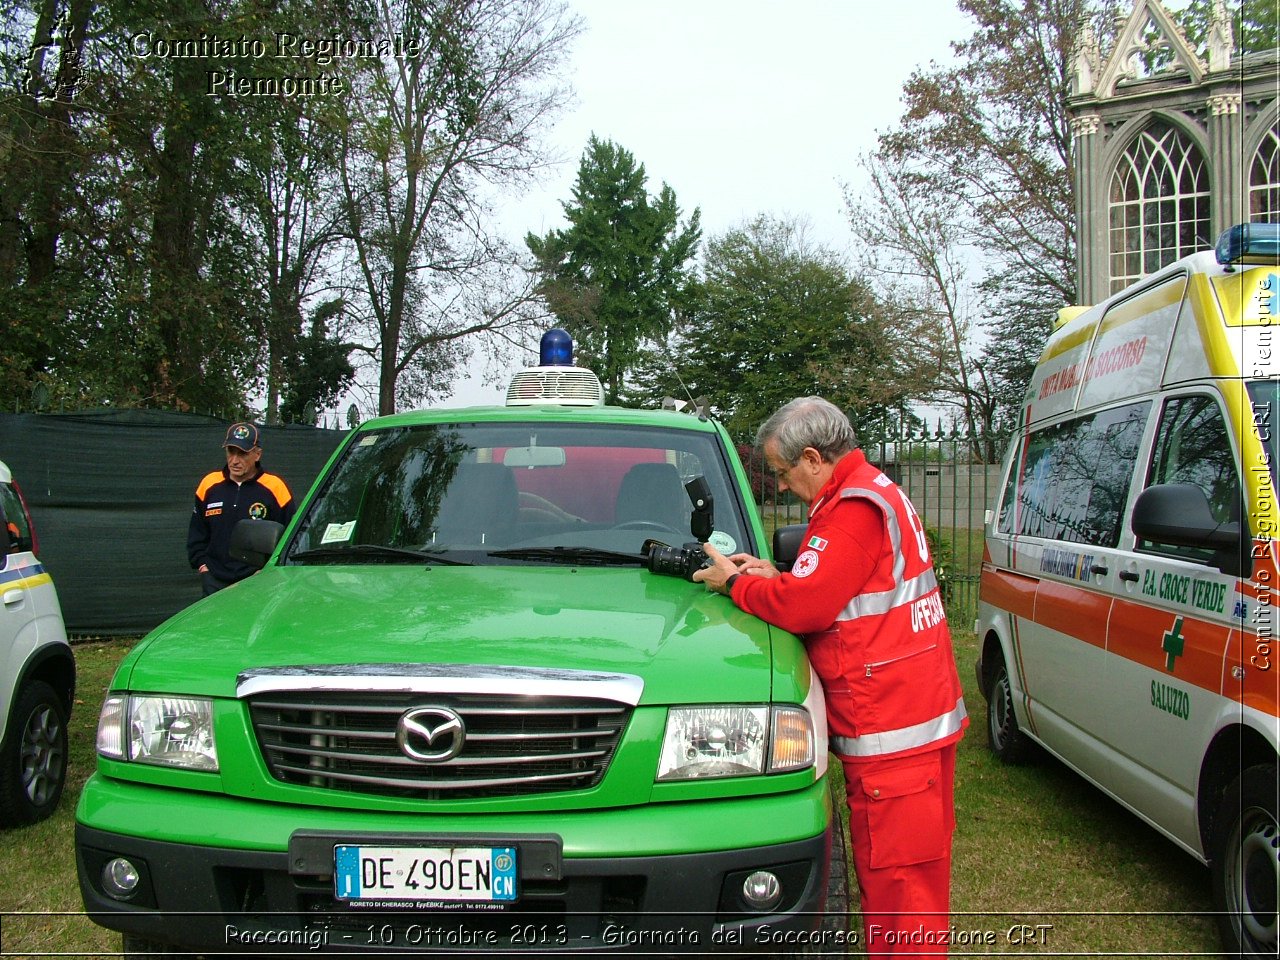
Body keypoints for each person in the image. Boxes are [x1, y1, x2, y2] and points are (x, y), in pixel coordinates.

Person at [693, 397, 967, 956]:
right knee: (914, 882)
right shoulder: (870, 491)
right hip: (913, 718)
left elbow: (808, 609)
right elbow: (841, 583)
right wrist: (780, 573)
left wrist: (735, 585)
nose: (784, 486)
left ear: (813, 458)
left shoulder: (852, 508)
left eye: (781, 472)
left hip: (893, 731)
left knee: (898, 891)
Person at [187, 422, 295, 596]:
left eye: (242, 454)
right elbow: (197, 532)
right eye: (231, 452)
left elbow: (291, 537)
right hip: (214, 580)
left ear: (257, 454)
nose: (234, 460)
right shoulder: (209, 484)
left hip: (257, 581)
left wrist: (267, 571)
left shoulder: (275, 487)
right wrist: (202, 565)